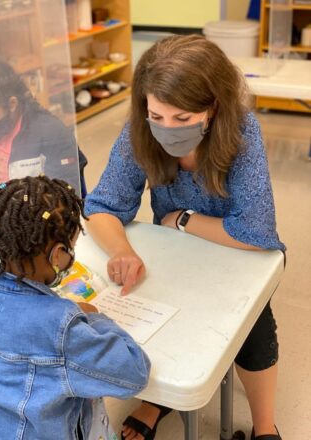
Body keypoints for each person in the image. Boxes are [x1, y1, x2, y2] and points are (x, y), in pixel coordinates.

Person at [84, 35, 286, 440]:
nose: (166, 129)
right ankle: (158, 399)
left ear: (212, 109)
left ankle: (266, 427)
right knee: (156, 309)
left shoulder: (242, 132)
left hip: (241, 256)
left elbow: (257, 232)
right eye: (156, 116)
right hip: (180, 251)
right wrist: (121, 251)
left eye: (182, 119)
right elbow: (101, 206)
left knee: (253, 323)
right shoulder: (139, 130)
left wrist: (181, 220)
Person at [0, 175, 151, 440]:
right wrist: (93, 317)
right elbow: (134, 372)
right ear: (58, 255)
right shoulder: (63, 328)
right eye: (71, 247)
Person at [0, 55, 88, 198]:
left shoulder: (51, 135)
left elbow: (64, 199)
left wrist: (0, 208)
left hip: (24, 215)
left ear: (12, 104)